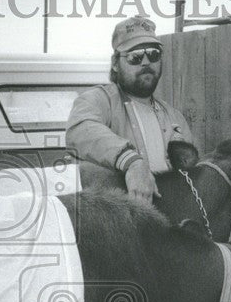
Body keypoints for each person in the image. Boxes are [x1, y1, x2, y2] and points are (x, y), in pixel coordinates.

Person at [66, 16, 195, 205]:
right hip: (119, 222)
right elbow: (80, 131)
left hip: (169, 220)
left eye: (153, 54)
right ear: (116, 63)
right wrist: (132, 162)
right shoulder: (96, 100)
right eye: (135, 56)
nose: (145, 62)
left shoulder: (174, 116)